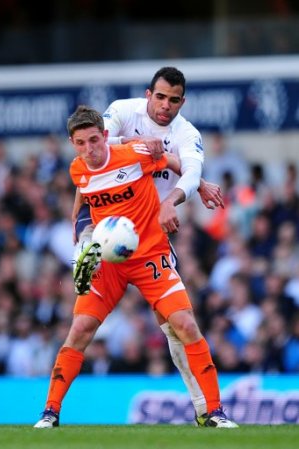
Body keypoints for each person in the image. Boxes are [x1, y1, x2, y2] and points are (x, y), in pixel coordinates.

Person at [34, 105, 238, 428]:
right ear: (73, 144)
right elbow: (83, 203)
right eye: (81, 143)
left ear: (105, 136)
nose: (89, 149)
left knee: (185, 324)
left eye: (93, 140)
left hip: (150, 255)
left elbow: (172, 162)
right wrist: (83, 242)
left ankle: (215, 412)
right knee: (79, 330)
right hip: (109, 264)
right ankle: (50, 413)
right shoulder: (77, 170)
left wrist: (200, 185)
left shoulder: (134, 153)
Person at [71, 67, 224, 420]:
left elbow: (191, 168)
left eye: (174, 100)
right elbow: (94, 144)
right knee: (83, 314)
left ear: (182, 102)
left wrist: (179, 195)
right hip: (107, 219)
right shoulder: (124, 111)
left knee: (173, 323)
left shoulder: (187, 133)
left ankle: (204, 408)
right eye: (160, 96)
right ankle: (83, 250)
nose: (165, 105)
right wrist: (136, 144)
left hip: (149, 232)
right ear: (148, 94)